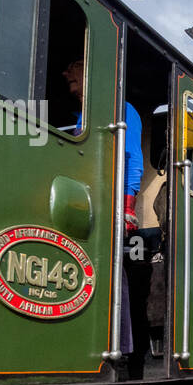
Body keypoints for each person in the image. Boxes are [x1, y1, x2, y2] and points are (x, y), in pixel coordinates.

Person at [62, 58, 143, 358]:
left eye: (74, 65)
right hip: (81, 202)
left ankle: (119, 348)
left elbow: (133, 159)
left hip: (107, 204)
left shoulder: (122, 109)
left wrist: (127, 207)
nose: (65, 72)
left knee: (110, 268)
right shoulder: (80, 116)